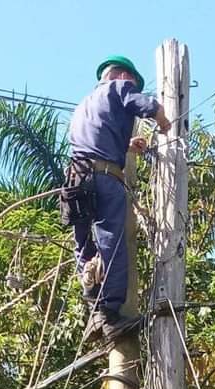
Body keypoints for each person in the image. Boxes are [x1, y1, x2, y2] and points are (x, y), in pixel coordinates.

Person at [67, 55, 171, 342]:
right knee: (112, 241)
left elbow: (94, 139)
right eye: (133, 83)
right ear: (123, 76)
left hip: (76, 180)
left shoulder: (83, 105)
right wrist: (162, 118)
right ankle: (111, 314)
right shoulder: (117, 88)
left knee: (85, 244)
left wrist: (126, 146)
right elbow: (145, 105)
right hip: (103, 179)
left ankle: (93, 303)